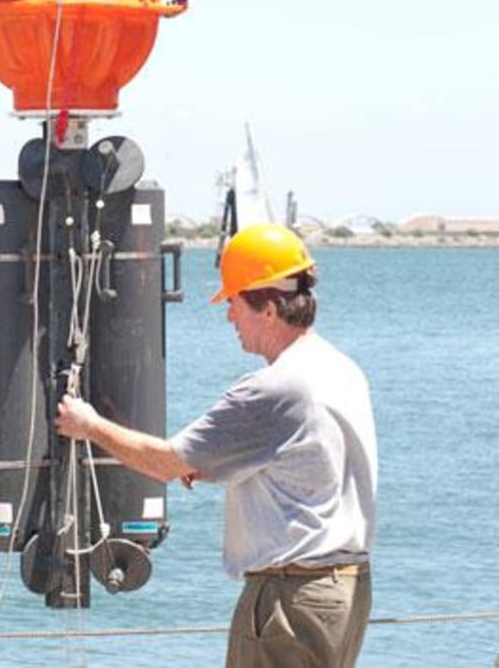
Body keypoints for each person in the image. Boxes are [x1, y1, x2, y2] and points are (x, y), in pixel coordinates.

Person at [57, 222, 377, 668]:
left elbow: (166, 463)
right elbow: (298, 461)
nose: (229, 316)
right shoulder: (341, 369)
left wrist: (88, 425)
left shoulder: (275, 387)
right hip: (345, 589)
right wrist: (205, 464)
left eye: (234, 302)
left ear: (268, 308)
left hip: (290, 595)